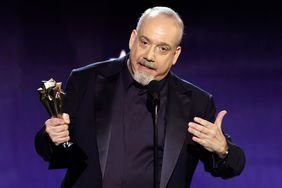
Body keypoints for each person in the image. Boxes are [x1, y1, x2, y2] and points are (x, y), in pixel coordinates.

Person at [35, 6, 245, 188]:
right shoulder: (86, 80)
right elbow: (50, 148)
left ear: (175, 55)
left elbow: (229, 168)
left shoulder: (196, 103)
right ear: (133, 38)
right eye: (144, 43)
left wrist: (223, 150)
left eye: (163, 49)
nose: (149, 56)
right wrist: (50, 137)